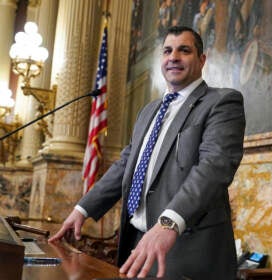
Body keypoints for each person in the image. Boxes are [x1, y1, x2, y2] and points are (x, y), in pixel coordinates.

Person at [49, 25, 246, 280]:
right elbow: (125, 166)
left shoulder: (221, 102)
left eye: (183, 50)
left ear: (201, 59)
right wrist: (82, 209)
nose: (173, 57)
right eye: (167, 51)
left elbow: (214, 167)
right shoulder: (148, 111)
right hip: (137, 245)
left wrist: (169, 222)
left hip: (187, 251)